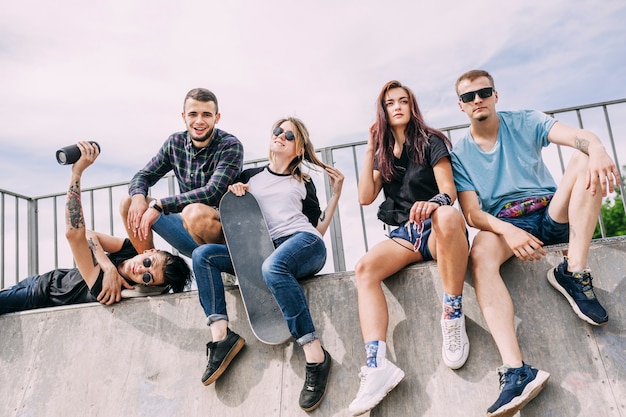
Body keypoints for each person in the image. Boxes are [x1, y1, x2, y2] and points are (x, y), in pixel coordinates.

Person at [450, 69, 620, 417]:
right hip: (505, 221)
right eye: (469, 97)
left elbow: (578, 137)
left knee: (585, 156)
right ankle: (516, 371)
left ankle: (573, 272)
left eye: (483, 92)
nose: (477, 100)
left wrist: (598, 148)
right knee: (479, 255)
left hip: (549, 210)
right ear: (461, 106)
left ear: (496, 95)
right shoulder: (460, 153)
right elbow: (472, 214)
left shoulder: (524, 120)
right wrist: (509, 231)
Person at [191, 117, 344, 412]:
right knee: (203, 256)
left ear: (298, 148)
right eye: (278, 131)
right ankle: (221, 338)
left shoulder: (303, 181)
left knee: (273, 267)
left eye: (289, 135)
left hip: (304, 242)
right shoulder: (250, 177)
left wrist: (336, 195)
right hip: (262, 250)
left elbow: (318, 227)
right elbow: (236, 217)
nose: (281, 137)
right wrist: (235, 193)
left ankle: (315, 356)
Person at [348, 80, 470, 416]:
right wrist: (371, 147)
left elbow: (449, 192)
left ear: (412, 106)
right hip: (406, 234)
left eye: (403, 101)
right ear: (383, 110)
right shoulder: (383, 151)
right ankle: (376, 366)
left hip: (439, 228)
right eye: (390, 103)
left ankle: (452, 316)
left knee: (446, 216)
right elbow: (364, 197)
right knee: (365, 269)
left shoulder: (431, 141)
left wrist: (432, 204)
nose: (397, 106)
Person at [0, 142, 192, 315]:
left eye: (147, 277)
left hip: (37, 297)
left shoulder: (111, 287)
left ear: (148, 286)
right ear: (150, 250)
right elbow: (90, 235)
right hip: (43, 279)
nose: (141, 269)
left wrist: (76, 173)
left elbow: (74, 234)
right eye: (149, 262)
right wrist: (108, 266)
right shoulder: (129, 251)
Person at [120, 87, 244, 260]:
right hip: (188, 231)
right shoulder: (175, 143)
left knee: (194, 212)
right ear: (184, 117)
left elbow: (212, 192)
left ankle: (222, 268)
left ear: (217, 118)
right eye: (193, 114)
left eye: (206, 115)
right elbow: (143, 176)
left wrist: (160, 205)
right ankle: (150, 269)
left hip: (224, 236)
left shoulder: (230, 146)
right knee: (129, 202)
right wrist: (139, 197)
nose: (199, 121)